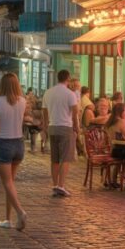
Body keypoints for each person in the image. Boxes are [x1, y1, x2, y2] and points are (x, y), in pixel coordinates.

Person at [0, 73, 28, 230]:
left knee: (7, 183)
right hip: (19, 144)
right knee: (10, 184)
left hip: (4, 143)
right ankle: (8, 219)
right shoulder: (23, 101)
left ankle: (20, 212)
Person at [42, 69, 80, 197]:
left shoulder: (48, 92)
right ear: (67, 79)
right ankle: (61, 185)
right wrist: (77, 128)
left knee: (55, 159)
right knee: (65, 158)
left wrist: (45, 128)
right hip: (65, 127)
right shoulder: (70, 94)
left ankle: (54, 185)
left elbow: (44, 113)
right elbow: (75, 114)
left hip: (52, 127)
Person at [105, 103, 125, 188]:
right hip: (118, 150)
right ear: (122, 111)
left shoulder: (110, 121)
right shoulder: (120, 121)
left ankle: (114, 179)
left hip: (112, 149)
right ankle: (124, 175)